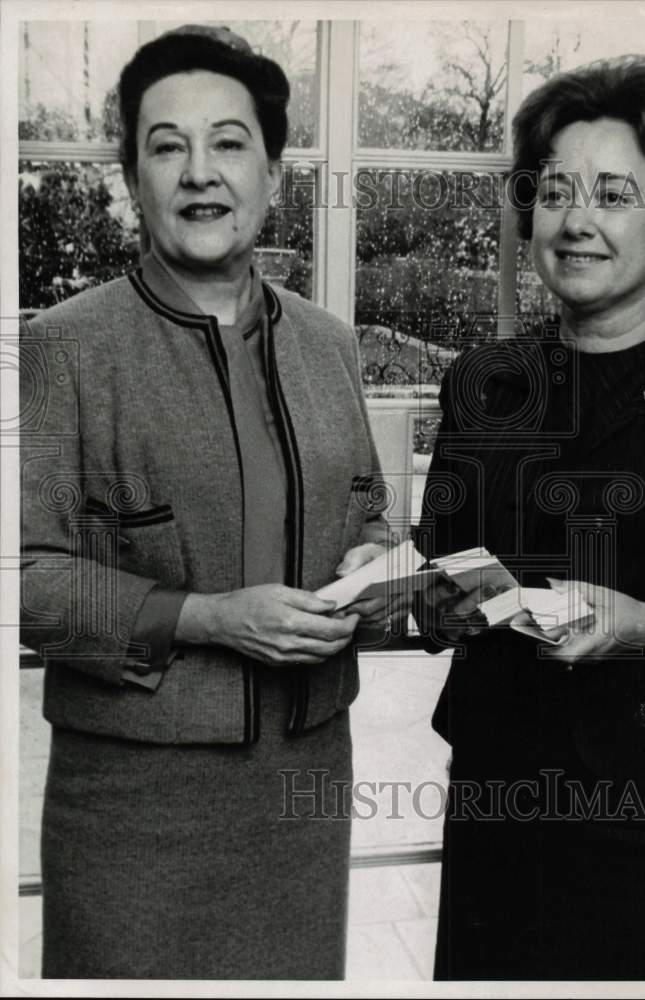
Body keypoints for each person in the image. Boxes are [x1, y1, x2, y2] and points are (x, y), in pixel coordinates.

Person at [20, 24, 398, 980]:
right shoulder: (66, 347)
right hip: (134, 808)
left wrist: (373, 562)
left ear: (274, 172)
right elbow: (30, 580)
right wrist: (210, 618)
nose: (200, 173)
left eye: (229, 143)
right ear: (131, 177)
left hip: (301, 792)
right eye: (166, 146)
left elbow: (372, 516)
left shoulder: (331, 345)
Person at [415, 56, 645, 981]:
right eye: (554, 192)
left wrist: (643, 627)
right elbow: (439, 582)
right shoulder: (483, 379)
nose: (574, 221)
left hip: (643, 809)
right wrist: (417, 596)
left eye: (613, 194)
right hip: (496, 791)